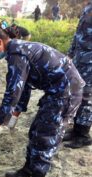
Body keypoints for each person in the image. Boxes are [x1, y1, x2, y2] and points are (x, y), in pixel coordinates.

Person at [0, 24, 84, 177]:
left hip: (67, 93)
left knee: (46, 137)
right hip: (55, 91)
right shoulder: (17, 50)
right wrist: (16, 114)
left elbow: (12, 93)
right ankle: (28, 170)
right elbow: (24, 86)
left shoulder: (17, 54)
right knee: (34, 131)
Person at [64, 0, 92, 148]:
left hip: (90, 63)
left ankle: (83, 135)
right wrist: (70, 53)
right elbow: (78, 33)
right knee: (77, 94)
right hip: (80, 59)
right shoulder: (88, 7)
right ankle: (76, 130)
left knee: (87, 98)